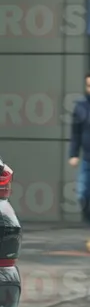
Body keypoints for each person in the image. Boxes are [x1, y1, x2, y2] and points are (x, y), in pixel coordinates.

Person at [68, 73, 90, 224]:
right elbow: (75, 133)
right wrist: (73, 154)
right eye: (89, 85)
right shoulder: (81, 107)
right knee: (82, 193)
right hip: (87, 158)